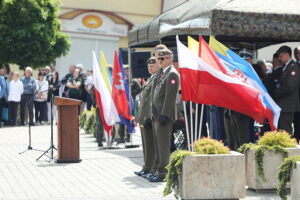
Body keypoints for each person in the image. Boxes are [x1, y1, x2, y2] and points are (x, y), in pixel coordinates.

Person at [150, 49, 179, 182]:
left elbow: (170, 97)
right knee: (158, 145)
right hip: (157, 114)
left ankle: (163, 173)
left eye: (162, 59)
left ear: (169, 59)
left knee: (163, 146)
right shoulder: (163, 73)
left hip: (164, 115)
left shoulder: (172, 74)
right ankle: (158, 170)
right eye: (159, 59)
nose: (159, 61)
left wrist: (165, 114)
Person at [134, 57, 159, 177]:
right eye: (149, 66)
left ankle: (153, 168)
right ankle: (147, 167)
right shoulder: (150, 79)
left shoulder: (157, 79)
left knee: (151, 144)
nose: (150, 68)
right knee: (145, 144)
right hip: (144, 115)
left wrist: (148, 116)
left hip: (150, 116)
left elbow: (153, 100)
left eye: (152, 66)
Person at [273, 46, 300, 134]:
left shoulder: (293, 67)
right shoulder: (286, 67)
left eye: (281, 56)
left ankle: (287, 147)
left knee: (285, 129)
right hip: (283, 104)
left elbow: (290, 86)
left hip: (288, 104)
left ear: (287, 55)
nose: (279, 59)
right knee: (281, 129)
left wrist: (276, 93)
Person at [293, 47, 300, 142]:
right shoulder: (294, 65)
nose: (297, 55)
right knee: (297, 122)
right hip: (295, 99)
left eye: (298, 53)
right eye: (295, 53)